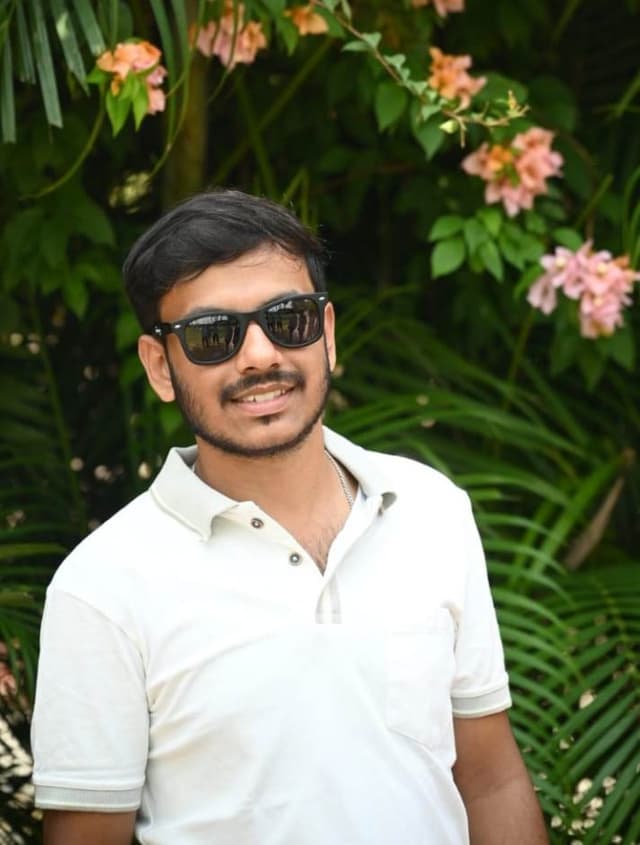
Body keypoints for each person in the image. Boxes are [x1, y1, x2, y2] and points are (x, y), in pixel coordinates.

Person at [31, 189, 549, 845]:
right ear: (160, 367)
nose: (259, 355)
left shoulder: (432, 509)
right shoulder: (102, 585)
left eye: (289, 320)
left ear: (327, 334)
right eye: (213, 335)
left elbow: (491, 779)